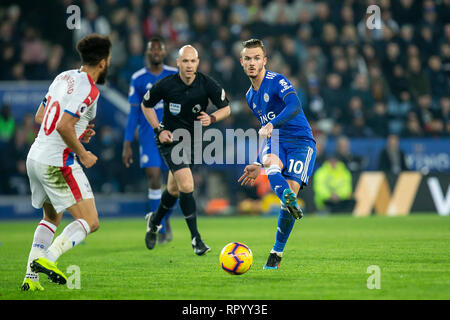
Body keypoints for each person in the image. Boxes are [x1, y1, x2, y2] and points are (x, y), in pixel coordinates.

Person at [21, 34, 111, 291]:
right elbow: (62, 125)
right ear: (103, 62)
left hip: (35, 155)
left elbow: (42, 116)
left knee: (51, 217)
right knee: (91, 221)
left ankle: (31, 278)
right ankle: (47, 259)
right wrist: (82, 152)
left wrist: (79, 132)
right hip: (56, 162)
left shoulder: (63, 77)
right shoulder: (90, 90)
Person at [141, 45, 231, 255]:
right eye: (185, 61)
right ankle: (196, 239)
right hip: (170, 140)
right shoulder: (166, 85)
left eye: (193, 61)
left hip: (192, 142)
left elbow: (227, 107)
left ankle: (153, 222)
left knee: (174, 189)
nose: (189, 65)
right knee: (188, 184)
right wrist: (159, 130)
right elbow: (146, 105)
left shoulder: (207, 83)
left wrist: (212, 118)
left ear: (197, 63)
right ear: (178, 63)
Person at [237, 39, 316, 270]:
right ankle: (288, 199)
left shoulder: (277, 81)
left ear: (264, 61)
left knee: (288, 191)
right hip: (277, 140)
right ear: (242, 62)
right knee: (270, 163)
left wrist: (273, 123)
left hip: (301, 141)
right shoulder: (250, 97)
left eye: (257, 58)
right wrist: (255, 162)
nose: (252, 63)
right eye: (248, 59)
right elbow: (266, 132)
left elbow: (295, 106)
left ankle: (276, 253)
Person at [122, 37, 178, 244]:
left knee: (175, 184)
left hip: (175, 134)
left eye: (159, 49)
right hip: (148, 136)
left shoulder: (174, 74)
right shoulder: (138, 78)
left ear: (164, 53)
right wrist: (127, 143)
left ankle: (164, 217)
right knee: (154, 178)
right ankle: (159, 226)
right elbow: (133, 113)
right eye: (151, 49)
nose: (155, 52)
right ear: (147, 53)